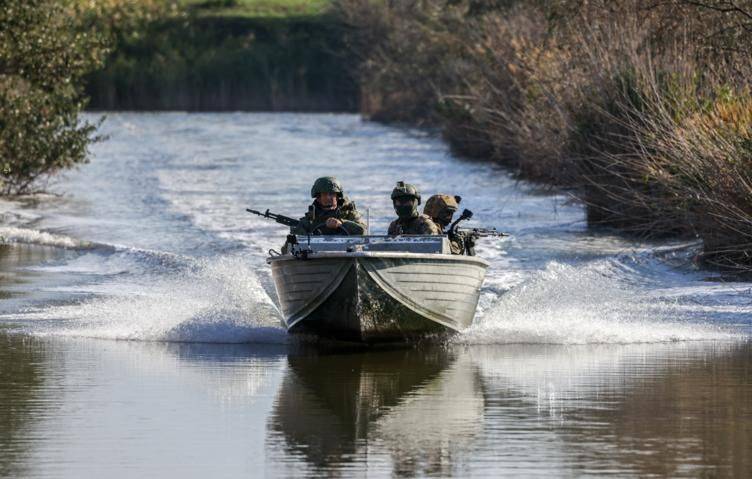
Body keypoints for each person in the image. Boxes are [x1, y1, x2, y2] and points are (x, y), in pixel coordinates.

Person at [292, 176, 366, 235]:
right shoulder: (311, 219)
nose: (328, 197)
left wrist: (342, 223)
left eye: (331, 194)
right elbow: (289, 248)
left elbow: (363, 232)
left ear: (337, 196)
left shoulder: (349, 214)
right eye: (324, 194)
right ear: (318, 198)